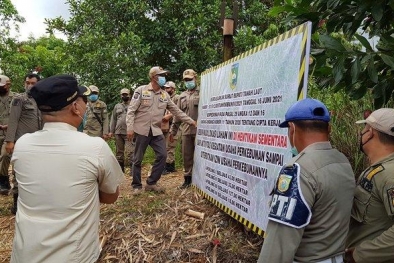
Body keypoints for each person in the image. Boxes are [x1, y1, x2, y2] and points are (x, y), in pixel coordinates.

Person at [10, 74, 124, 263]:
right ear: (75, 107)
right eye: (83, 101)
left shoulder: (22, 145)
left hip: (24, 255)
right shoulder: (94, 147)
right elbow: (111, 196)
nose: (86, 105)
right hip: (74, 256)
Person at [258, 98, 355, 263]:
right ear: (329, 129)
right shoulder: (342, 161)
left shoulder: (297, 170)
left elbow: (279, 242)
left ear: (292, 129)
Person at [126, 66, 196, 195]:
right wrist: (130, 128)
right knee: (138, 159)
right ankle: (136, 185)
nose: (164, 78)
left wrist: (191, 121)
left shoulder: (164, 95)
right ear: (154, 77)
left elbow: (177, 111)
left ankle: (151, 182)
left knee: (163, 155)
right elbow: (131, 111)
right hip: (141, 130)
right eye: (161, 75)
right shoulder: (141, 90)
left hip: (156, 130)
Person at [345, 108, 394, 263]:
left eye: (364, 129)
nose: (362, 134)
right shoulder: (379, 169)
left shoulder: (389, 175)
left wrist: (360, 255)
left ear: (371, 132)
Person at [5, 73, 42, 214]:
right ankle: (16, 202)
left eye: (33, 83)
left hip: (38, 143)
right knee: (19, 172)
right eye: (27, 82)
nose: (30, 85)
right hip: (22, 143)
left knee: (36, 171)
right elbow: (13, 120)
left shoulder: (41, 99)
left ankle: (33, 200)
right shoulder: (19, 99)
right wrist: (10, 141)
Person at [170, 69, 199, 188]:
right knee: (187, 156)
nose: (188, 82)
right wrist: (173, 131)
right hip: (186, 131)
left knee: (200, 156)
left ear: (195, 78)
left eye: (190, 79)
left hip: (200, 131)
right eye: (186, 80)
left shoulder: (203, 92)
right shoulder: (182, 96)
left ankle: (200, 180)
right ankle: (188, 179)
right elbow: (177, 115)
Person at [109, 88, 135, 172]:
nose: (124, 96)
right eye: (123, 95)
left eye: (126, 94)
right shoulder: (117, 106)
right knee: (119, 152)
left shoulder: (133, 105)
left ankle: (133, 170)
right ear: (120, 96)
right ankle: (120, 170)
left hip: (129, 132)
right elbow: (113, 119)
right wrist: (111, 131)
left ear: (129, 95)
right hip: (118, 132)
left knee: (130, 151)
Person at [0, 75, 16, 195]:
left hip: (9, 133)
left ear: (8, 85)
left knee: (5, 155)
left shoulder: (16, 98)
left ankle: (4, 180)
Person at [161, 81, 180, 175]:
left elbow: (179, 111)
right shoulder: (164, 97)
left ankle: (170, 167)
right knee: (164, 146)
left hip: (174, 125)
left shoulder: (177, 98)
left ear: (173, 88)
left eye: (168, 88)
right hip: (165, 126)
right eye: (165, 88)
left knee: (170, 146)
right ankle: (166, 165)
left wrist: (170, 116)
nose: (166, 89)